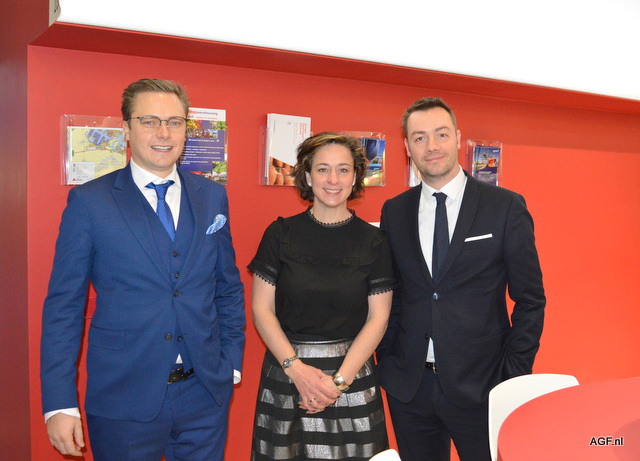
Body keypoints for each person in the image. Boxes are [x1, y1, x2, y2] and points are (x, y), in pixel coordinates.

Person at [40, 78, 245, 460]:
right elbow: (64, 307)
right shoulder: (90, 202)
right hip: (123, 396)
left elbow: (227, 286)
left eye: (175, 122)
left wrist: (230, 363)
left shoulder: (211, 196)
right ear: (126, 128)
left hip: (205, 394)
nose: (164, 133)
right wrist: (59, 402)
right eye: (150, 121)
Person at [376, 97, 545, 460]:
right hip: (409, 388)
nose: (431, 146)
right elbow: (394, 294)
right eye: (419, 137)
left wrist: (513, 372)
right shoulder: (395, 210)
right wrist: (388, 359)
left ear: (457, 137)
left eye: (441, 134)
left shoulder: (504, 206)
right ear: (407, 147)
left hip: (483, 385)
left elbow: (530, 299)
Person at [249, 132, 396, 460]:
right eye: (322, 169)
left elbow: (379, 318)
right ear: (306, 176)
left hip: (350, 376)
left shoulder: (375, 241)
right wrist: (296, 370)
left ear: (355, 177)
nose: (333, 179)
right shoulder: (280, 234)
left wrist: (337, 383)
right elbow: (262, 309)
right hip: (288, 373)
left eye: (343, 170)